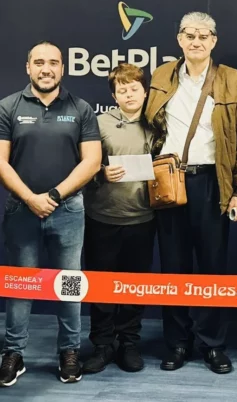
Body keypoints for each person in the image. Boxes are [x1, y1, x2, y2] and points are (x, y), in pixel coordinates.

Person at [144, 12, 237, 375]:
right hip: (169, 179)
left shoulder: (235, 82)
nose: (196, 41)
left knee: (211, 267)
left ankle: (212, 344)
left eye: (203, 36)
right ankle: (177, 343)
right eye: (189, 35)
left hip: (212, 183)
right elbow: (149, 125)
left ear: (214, 41)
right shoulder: (162, 76)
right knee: (173, 267)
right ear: (178, 39)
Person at [0, 42, 101, 386]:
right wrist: (30, 198)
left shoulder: (81, 108)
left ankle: (69, 351)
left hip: (68, 210)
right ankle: (13, 353)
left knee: (69, 284)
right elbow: (0, 161)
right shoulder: (9, 107)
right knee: (20, 285)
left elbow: (92, 161)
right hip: (21, 209)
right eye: (39, 62)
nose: (47, 68)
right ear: (28, 67)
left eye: (54, 63)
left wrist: (54, 195)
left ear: (63, 69)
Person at [82, 63, 156, 375]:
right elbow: (82, 165)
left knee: (134, 284)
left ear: (145, 90)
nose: (128, 94)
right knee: (100, 284)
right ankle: (102, 344)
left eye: (134, 88)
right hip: (102, 216)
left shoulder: (158, 123)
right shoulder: (99, 123)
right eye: (121, 89)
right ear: (114, 95)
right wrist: (101, 172)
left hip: (143, 218)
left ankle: (128, 342)